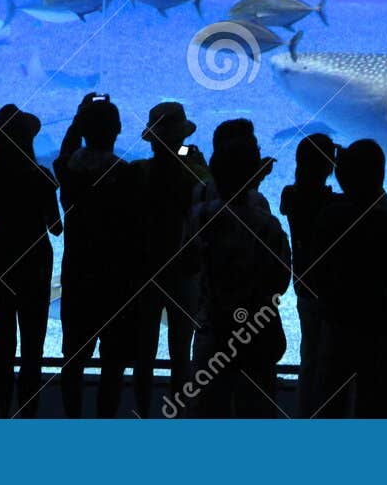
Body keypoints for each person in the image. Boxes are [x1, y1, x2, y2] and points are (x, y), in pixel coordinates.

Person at [186, 134, 292, 417]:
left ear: (214, 176)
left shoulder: (199, 217)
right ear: (253, 174)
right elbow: (281, 279)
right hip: (257, 331)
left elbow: (186, 264)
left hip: (213, 330)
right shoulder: (267, 225)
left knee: (207, 410)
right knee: (257, 409)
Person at [53, 93, 141, 417]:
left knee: (73, 360)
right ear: (117, 130)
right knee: (113, 364)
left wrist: (79, 117)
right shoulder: (128, 175)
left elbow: (64, 152)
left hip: (78, 275)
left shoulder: (68, 170)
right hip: (116, 280)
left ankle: (73, 422)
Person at [0, 107, 61, 417]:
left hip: (0, 267)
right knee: (33, 352)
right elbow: (56, 228)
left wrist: (3, 230)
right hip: (35, 267)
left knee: (4, 347)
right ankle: (28, 417)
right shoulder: (41, 177)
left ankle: (0, 414)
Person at [309, 138, 387, 417]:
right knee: (376, 409)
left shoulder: (328, 218)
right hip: (379, 331)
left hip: (337, 328)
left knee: (329, 408)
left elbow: (316, 274)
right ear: (381, 178)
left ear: (342, 178)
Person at [129, 102, 209, 417]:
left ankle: (142, 413)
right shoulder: (195, 175)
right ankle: (178, 415)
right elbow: (213, 192)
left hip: (145, 272)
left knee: (144, 353)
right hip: (185, 271)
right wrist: (194, 159)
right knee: (181, 353)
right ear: (180, 137)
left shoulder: (138, 173)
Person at [278, 133, 336, 413]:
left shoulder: (290, 195)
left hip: (302, 283)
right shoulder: (331, 202)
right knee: (326, 358)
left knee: (309, 355)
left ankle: (304, 413)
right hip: (329, 288)